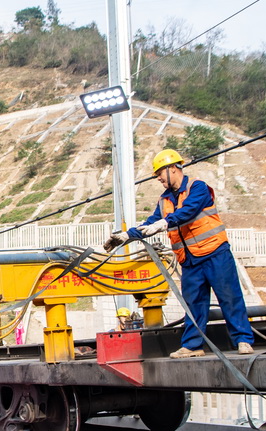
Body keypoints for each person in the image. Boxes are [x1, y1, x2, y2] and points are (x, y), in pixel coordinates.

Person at [104, 148, 254, 359]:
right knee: (193, 305)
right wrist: (127, 235)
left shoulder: (198, 187)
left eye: (159, 173)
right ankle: (193, 346)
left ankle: (243, 340)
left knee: (229, 297)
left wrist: (164, 223)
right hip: (190, 260)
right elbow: (151, 223)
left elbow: (188, 211)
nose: (157, 178)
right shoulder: (164, 200)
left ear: (172, 169)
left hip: (214, 252)